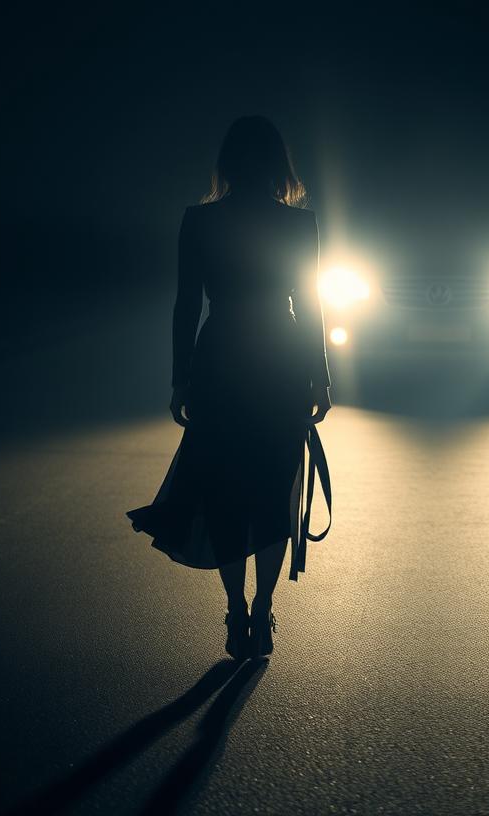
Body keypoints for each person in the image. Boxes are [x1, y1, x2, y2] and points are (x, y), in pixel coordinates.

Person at [127, 116, 332, 660]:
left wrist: (180, 379)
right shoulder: (298, 225)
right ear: (277, 165)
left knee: (224, 492)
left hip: (220, 358)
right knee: (270, 489)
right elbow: (310, 307)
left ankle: (237, 609)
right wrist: (321, 377)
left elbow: (185, 307)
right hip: (280, 361)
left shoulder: (200, 221)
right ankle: (263, 610)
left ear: (227, 163)